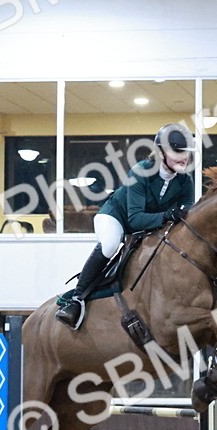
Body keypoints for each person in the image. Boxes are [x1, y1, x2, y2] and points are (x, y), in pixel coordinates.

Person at [55, 123, 196, 329]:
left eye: (186, 152)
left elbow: (186, 216)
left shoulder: (185, 181)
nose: (184, 157)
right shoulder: (140, 172)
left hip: (150, 227)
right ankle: (76, 299)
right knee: (110, 245)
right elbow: (135, 219)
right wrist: (167, 215)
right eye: (177, 151)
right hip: (116, 217)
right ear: (160, 153)